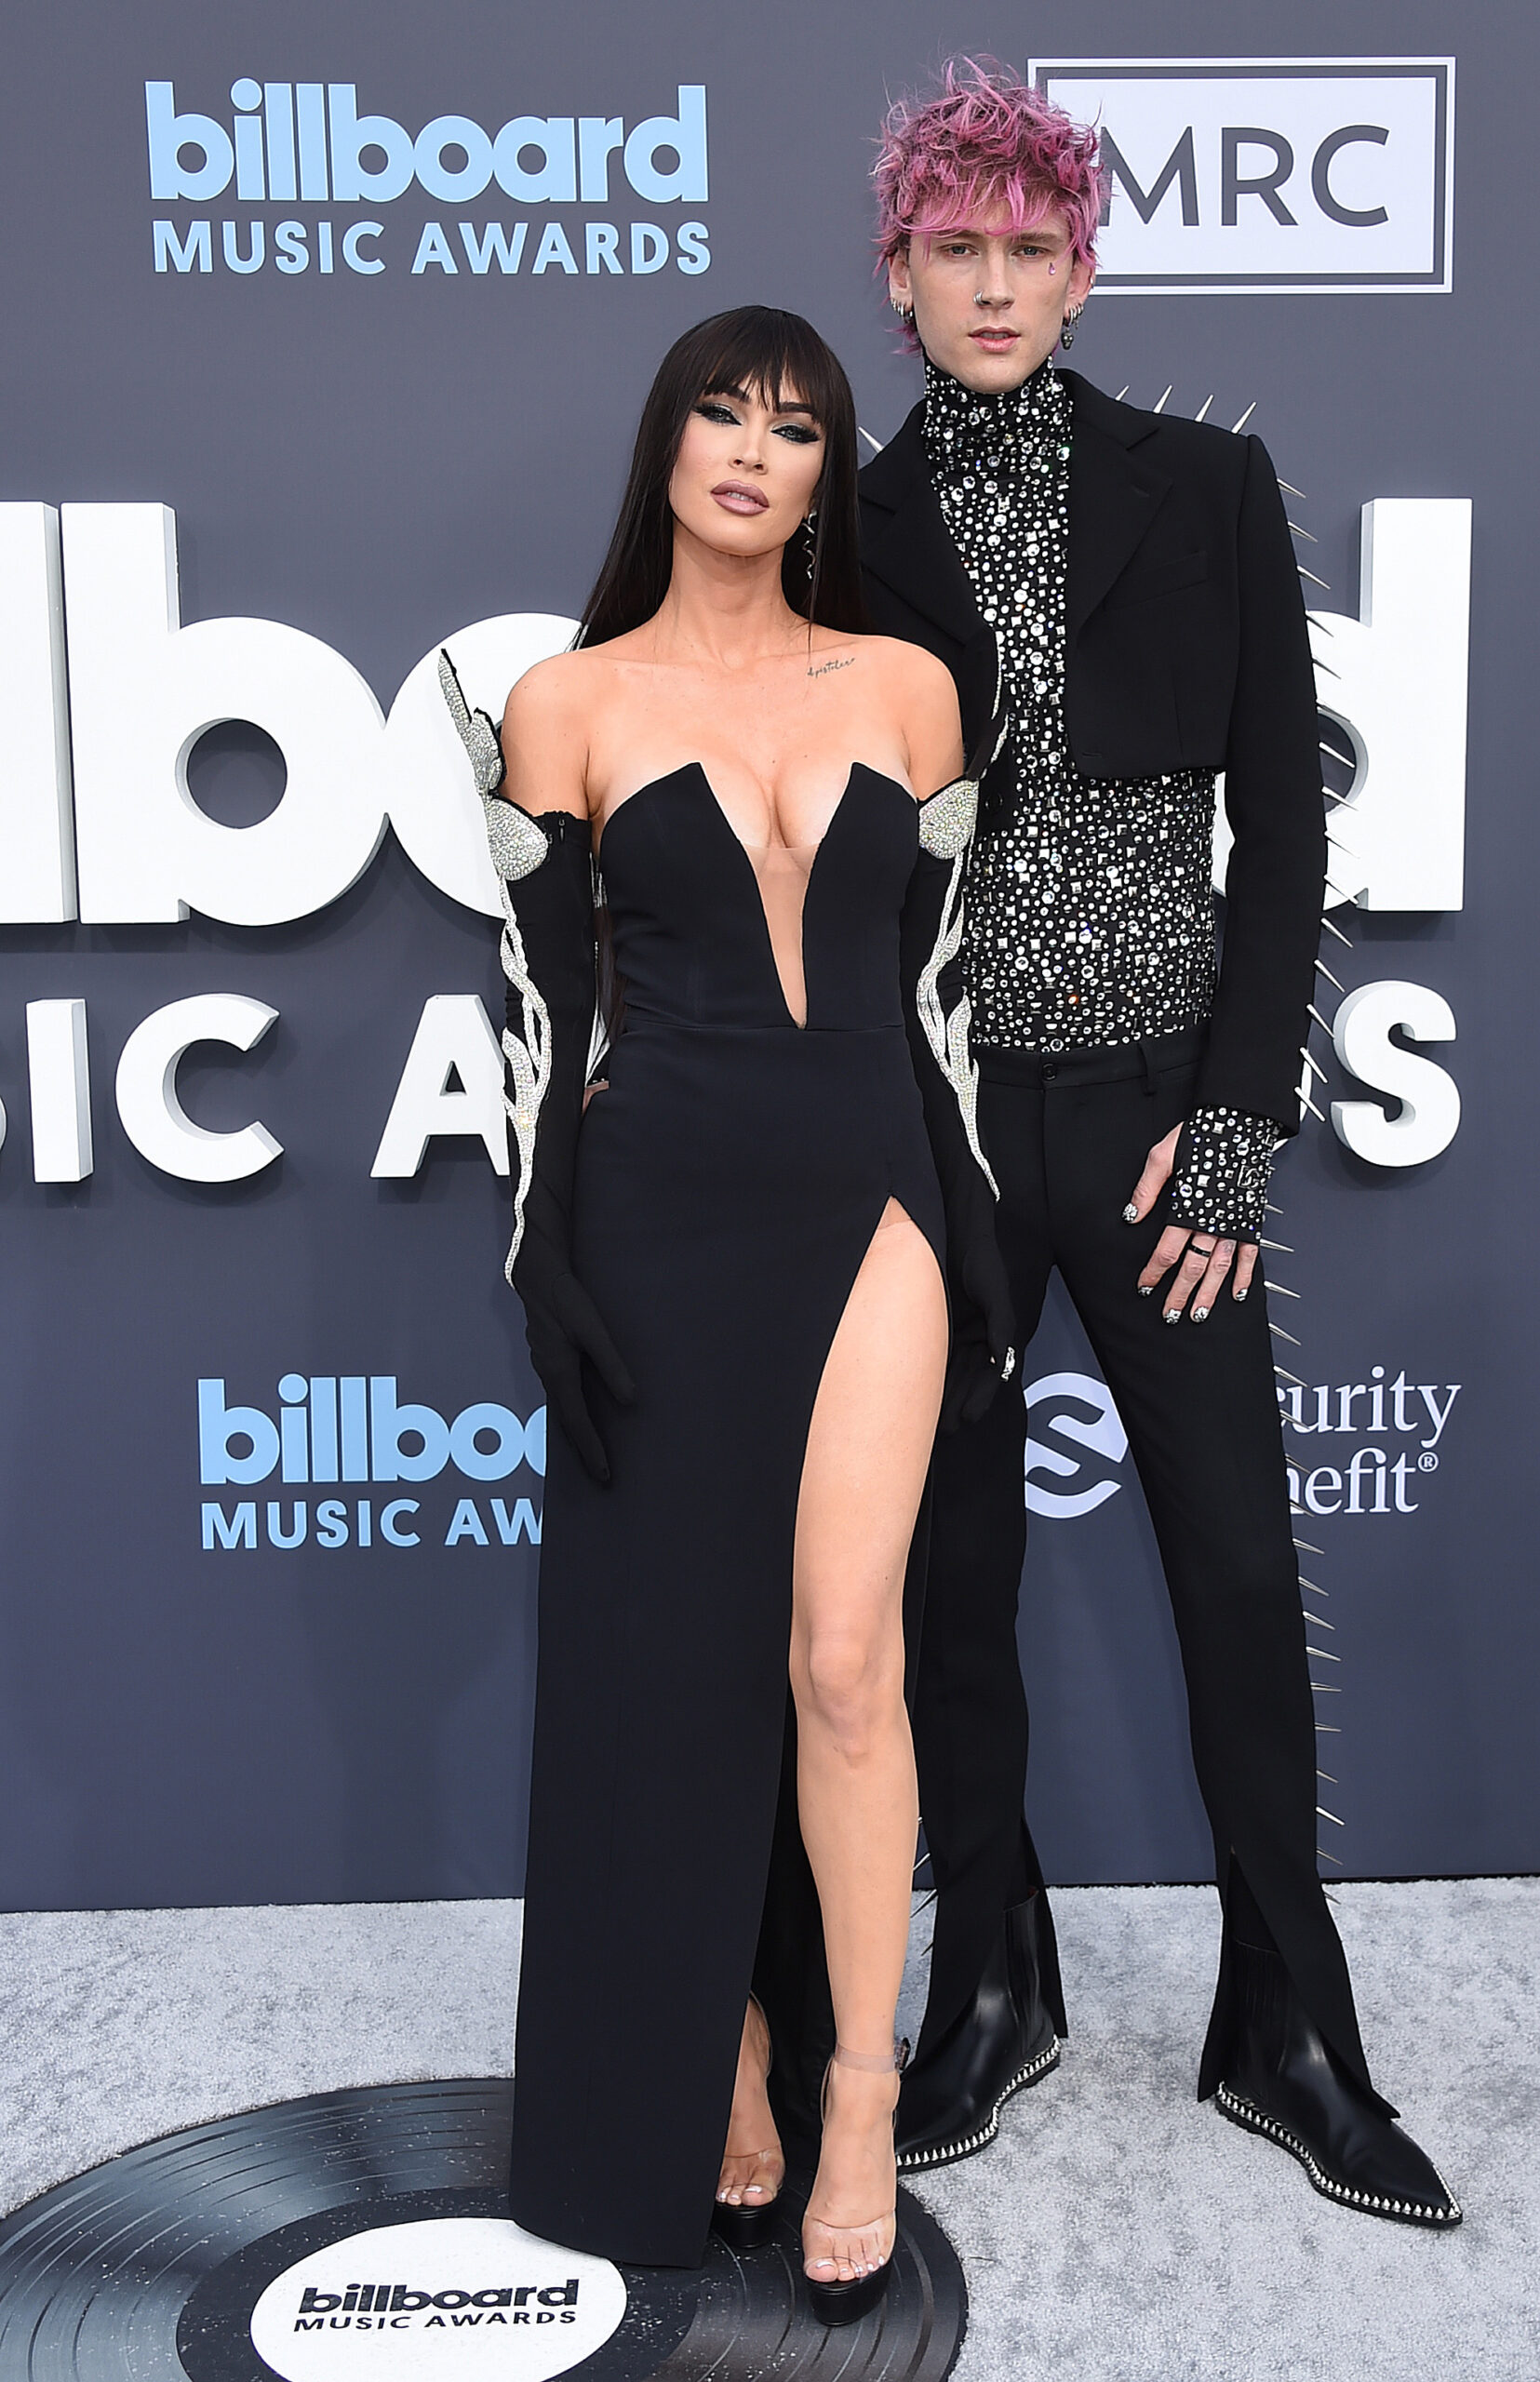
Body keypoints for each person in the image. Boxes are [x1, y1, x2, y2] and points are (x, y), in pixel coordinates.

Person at [856, 63, 1459, 2227]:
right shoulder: (841, 514)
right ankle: (989, 1971)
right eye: (957, 251)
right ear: (899, 278)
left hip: (1144, 1119)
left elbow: (1282, 826)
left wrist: (1227, 1135)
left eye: (1031, 250)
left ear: (1082, 270)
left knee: (1226, 1558)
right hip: (934, 1127)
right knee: (948, 1574)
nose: (994, 284)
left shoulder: (1204, 483)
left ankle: (1285, 2019)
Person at [441, 304, 1014, 2317]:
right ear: (666, 444)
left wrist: (974, 1226)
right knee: (675, 1671)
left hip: (866, 1194)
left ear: (819, 469)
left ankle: (857, 2080)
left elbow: (940, 1006)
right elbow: (540, 1024)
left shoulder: (913, 689)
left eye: (794, 423)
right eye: (721, 411)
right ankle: (728, 2047)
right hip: (657, 1203)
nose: (753, 451)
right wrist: (541, 1249)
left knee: (844, 1660)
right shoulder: (560, 702)